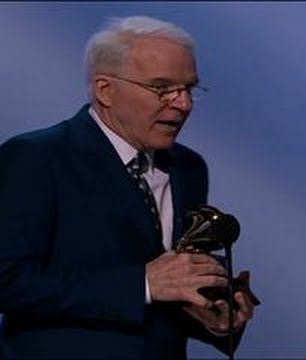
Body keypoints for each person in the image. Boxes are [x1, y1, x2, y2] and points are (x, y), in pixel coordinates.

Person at [0, 15, 255, 358]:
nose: (184, 104)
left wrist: (213, 320)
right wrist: (143, 284)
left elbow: (168, 297)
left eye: (189, 89)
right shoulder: (36, 158)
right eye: (162, 88)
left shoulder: (189, 168)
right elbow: (8, 280)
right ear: (105, 89)